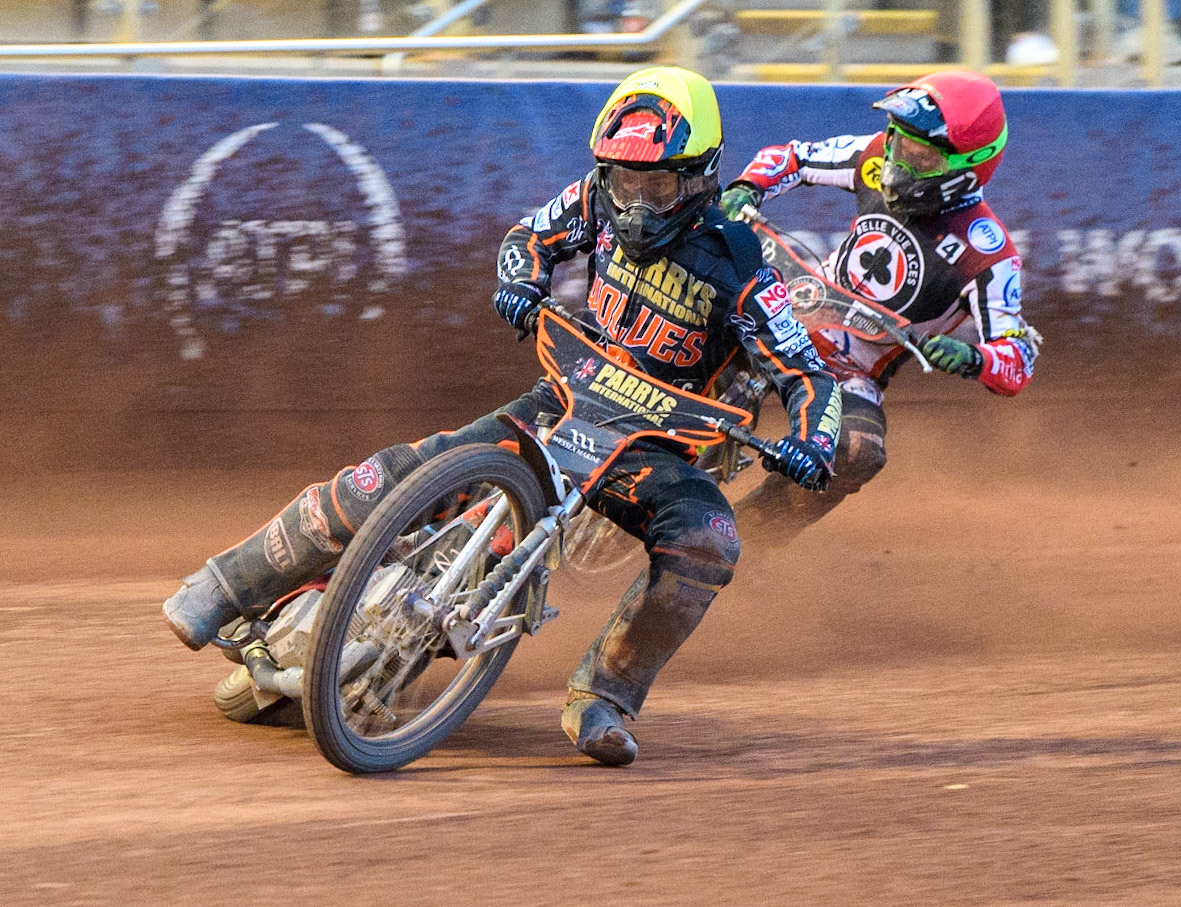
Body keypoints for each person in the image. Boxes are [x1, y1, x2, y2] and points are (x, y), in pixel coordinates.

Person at [161, 66, 842, 767]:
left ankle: (605, 694)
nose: (636, 204)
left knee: (711, 537)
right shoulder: (592, 197)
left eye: (658, 185)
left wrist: (811, 443)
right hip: (568, 395)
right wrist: (519, 279)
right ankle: (224, 584)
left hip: (657, 444)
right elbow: (528, 236)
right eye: (623, 181)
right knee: (396, 474)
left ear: (700, 177)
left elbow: (809, 376)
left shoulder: (742, 264)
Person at [718, 70, 1040, 536]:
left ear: (969, 165)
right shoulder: (872, 155)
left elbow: (1018, 360)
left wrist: (972, 358)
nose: (899, 160)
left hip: (853, 369)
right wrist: (748, 187)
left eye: (920, 155)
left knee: (859, 451)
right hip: (791, 308)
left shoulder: (986, 251)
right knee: (702, 302)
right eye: (898, 141)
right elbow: (791, 156)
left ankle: (754, 532)